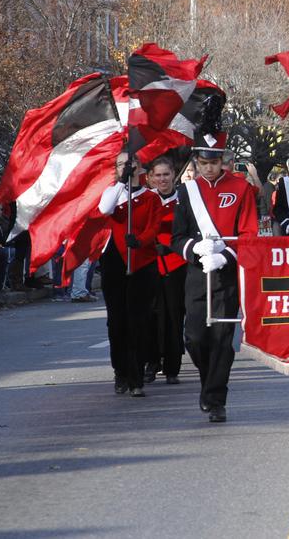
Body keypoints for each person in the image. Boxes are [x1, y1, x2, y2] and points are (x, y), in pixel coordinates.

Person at [171, 124, 258, 423]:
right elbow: (176, 237)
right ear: (196, 161)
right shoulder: (186, 191)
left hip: (227, 272)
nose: (209, 168)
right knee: (194, 338)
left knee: (222, 338)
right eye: (203, 163)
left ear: (225, 161)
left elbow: (248, 234)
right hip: (197, 272)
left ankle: (216, 398)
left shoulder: (241, 189)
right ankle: (208, 381)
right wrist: (195, 249)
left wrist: (224, 257)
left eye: (214, 162)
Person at [97, 152, 162, 398]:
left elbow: (154, 227)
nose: (127, 166)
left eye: (130, 163)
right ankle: (120, 372)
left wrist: (141, 241)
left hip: (141, 261)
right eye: (121, 164)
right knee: (116, 321)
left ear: (140, 167)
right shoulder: (112, 192)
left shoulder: (151, 198)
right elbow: (105, 208)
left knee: (139, 320)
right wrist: (121, 183)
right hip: (114, 261)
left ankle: (137, 377)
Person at [147, 156, 186, 385]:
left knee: (173, 316)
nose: (162, 179)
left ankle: (172, 367)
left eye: (166, 174)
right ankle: (151, 363)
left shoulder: (184, 200)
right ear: (151, 177)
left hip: (176, 265)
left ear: (173, 175)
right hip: (150, 265)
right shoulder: (145, 200)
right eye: (158, 175)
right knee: (151, 317)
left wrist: (171, 247)